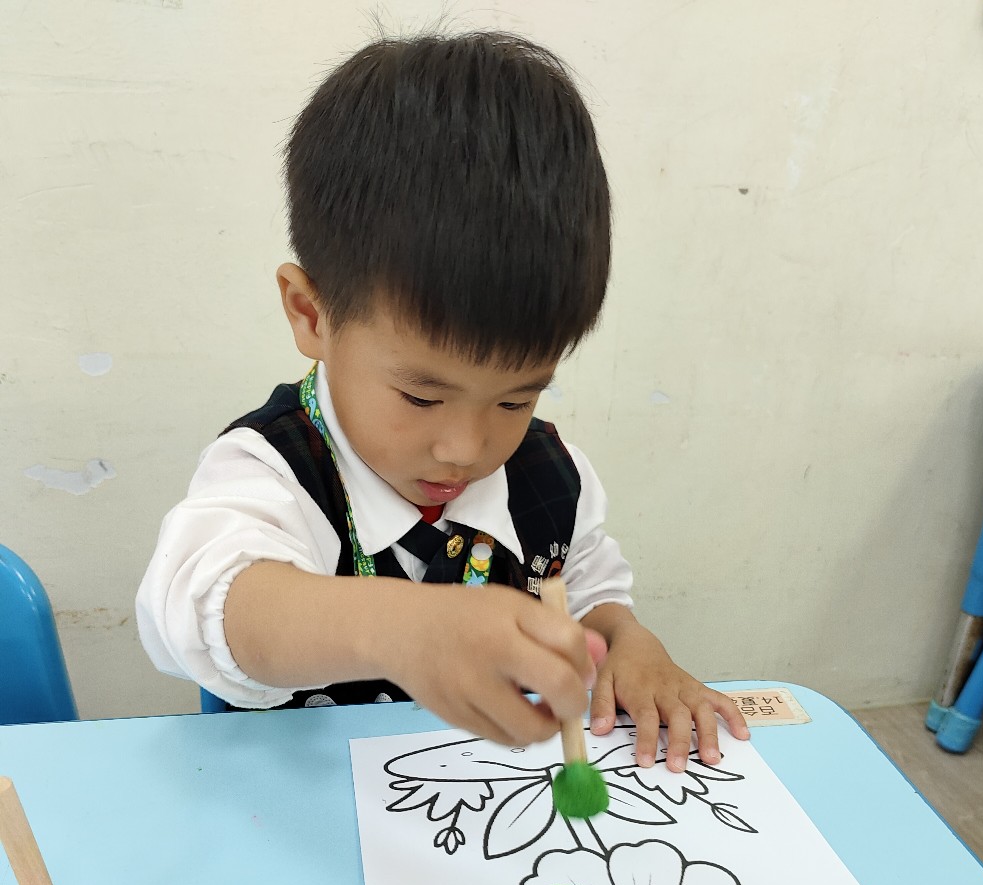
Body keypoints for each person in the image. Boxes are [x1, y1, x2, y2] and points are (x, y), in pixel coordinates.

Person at [136, 30, 748, 771]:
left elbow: (589, 592)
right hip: (291, 812)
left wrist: (629, 641)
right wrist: (401, 628)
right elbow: (201, 608)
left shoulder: (549, 480)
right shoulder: (272, 472)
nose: (467, 449)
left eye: (517, 400)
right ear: (311, 314)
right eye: (421, 396)